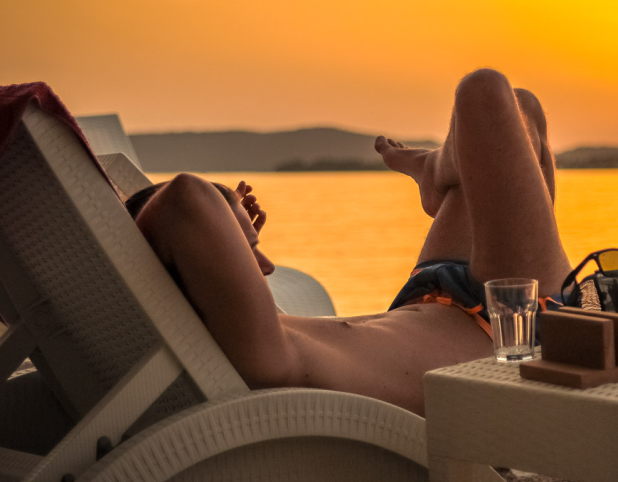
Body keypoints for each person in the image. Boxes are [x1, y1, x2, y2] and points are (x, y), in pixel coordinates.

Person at [131, 69, 572, 415]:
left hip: (432, 295)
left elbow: (184, 214)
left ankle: (440, 173)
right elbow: (185, 198)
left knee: (522, 108)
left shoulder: (258, 331)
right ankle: (439, 171)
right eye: (247, 251)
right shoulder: (261, 354)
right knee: (486, 93)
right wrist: (227, 211)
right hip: (509, 331)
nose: (265, 267)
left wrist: (234, 229)